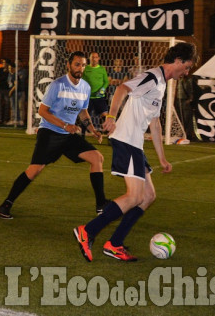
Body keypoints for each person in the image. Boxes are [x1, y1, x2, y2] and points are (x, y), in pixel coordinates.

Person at [73, 42, 198, 262]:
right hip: (125, 139)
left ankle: (114, 244)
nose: (187, 72)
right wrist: (110, 118)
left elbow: (155, 123)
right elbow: (122, 89)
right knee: (134, 196)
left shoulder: (161, 84)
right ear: (178, 61)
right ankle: (88, 231)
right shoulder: (151, 77)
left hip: (135, 143)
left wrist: (162, 158)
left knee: (148, 196)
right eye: (187, 66)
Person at [0, 51, 107, 219]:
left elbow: (83, 112)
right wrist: (64, 125)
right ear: (68, 65)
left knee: (97, 158)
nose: (80, 68)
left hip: (68, 134)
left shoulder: (85, 87)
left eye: (83, 65)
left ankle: (101, 205)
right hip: (50, 132)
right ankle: (6, 204)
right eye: (77, 64)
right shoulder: (57, 85)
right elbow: (43, 111)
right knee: (34, 171)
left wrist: (93, 130)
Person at [81, 52, 109, 135]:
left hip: (99, 97)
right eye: (92, 57)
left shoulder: (102, 69)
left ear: (98, 58)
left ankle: (109, 136)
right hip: (88, 98)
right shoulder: (85, 69)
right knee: (85, 117)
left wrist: (103, 89)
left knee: (104, 115)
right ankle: (82, 135)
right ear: (89, 58)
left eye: (96, 57)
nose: (94, 59)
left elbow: (106, 81)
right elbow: (81, 81)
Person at [0, 58, 11, 125]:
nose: (3, 64)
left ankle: (6, 118)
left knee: (7, 104)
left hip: (6, 89)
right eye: (3, 62)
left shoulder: (9, 71)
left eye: (4, 62)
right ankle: (0, 118)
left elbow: (6, 79)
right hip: (0, 89)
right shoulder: (0, 70)